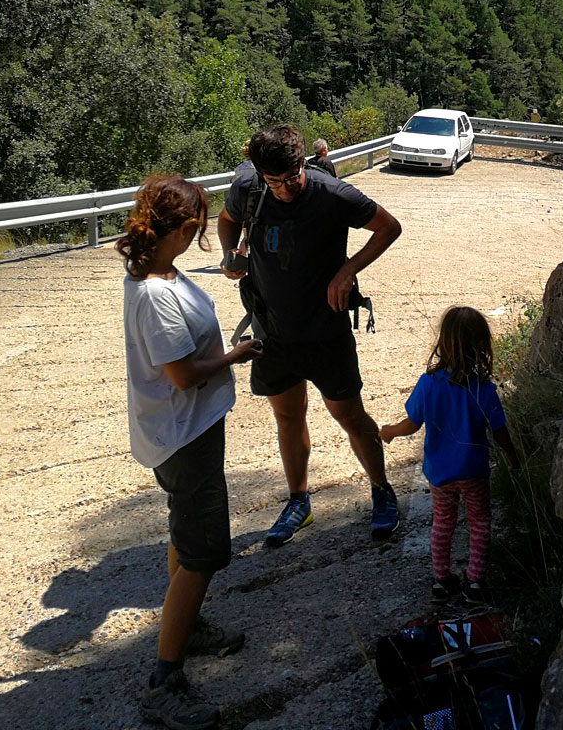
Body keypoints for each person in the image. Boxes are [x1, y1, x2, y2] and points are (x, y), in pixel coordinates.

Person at [117, 175, 261, 730]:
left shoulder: (155, 274)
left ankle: (189, 624)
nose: (197, 238)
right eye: (194, 230)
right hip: (183, 435)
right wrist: (235, 355)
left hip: (184, 430)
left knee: (185, 534)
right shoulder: (155, 294)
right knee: (204, 552)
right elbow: (179, 375)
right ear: (179, 229)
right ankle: (164, 679)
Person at [217, 124, 402, 546]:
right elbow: (226, 219)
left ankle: (381, 490)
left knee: (349, 416)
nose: (284, 188)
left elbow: (389, 227)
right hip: (273, 330)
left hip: (325, 330)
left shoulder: (332, 193)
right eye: (274, 181)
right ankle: (298, 502)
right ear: (260, 173)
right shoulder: (247, 188)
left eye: (292, 177)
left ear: (302, 162)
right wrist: (232, 255)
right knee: (287, 416)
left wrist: (348, 269)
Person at [380, 306, 519, 602]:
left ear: (443, 342)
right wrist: (512, 455)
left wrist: (390, 431)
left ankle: (441, 580)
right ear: (481, 345)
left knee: (442, 524)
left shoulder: (428, 384)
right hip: (474, 472)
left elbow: (412, 423)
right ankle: (475, 583)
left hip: (440, 475)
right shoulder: (484, 389)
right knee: (479, 522)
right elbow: (500, 430)